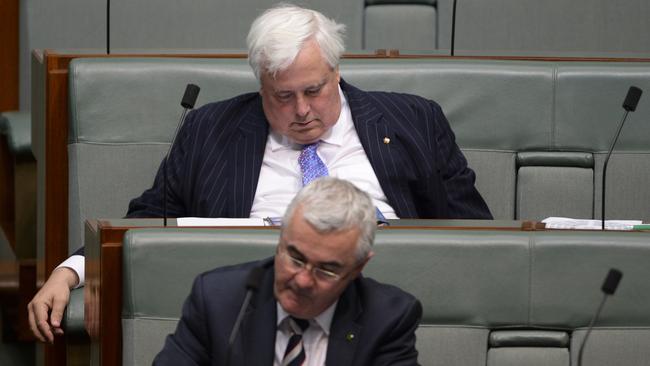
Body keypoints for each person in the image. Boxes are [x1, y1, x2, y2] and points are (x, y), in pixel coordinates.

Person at [28, 4, 491, 343]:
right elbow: (149, 219)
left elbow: (477, 234)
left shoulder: (413, 119)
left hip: (392, 300)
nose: (303, 111)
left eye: (314, 90)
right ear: (260, 84)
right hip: (254, 312)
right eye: (283, 97)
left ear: (336, 70)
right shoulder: (212, 129)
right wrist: (69, 273)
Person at [154, 177, 422, 365]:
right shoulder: (218, 300)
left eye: (327, 270)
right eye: (295, 258)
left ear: (358, 267)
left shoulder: (388, 318)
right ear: (280, 239)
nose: (303, 281)